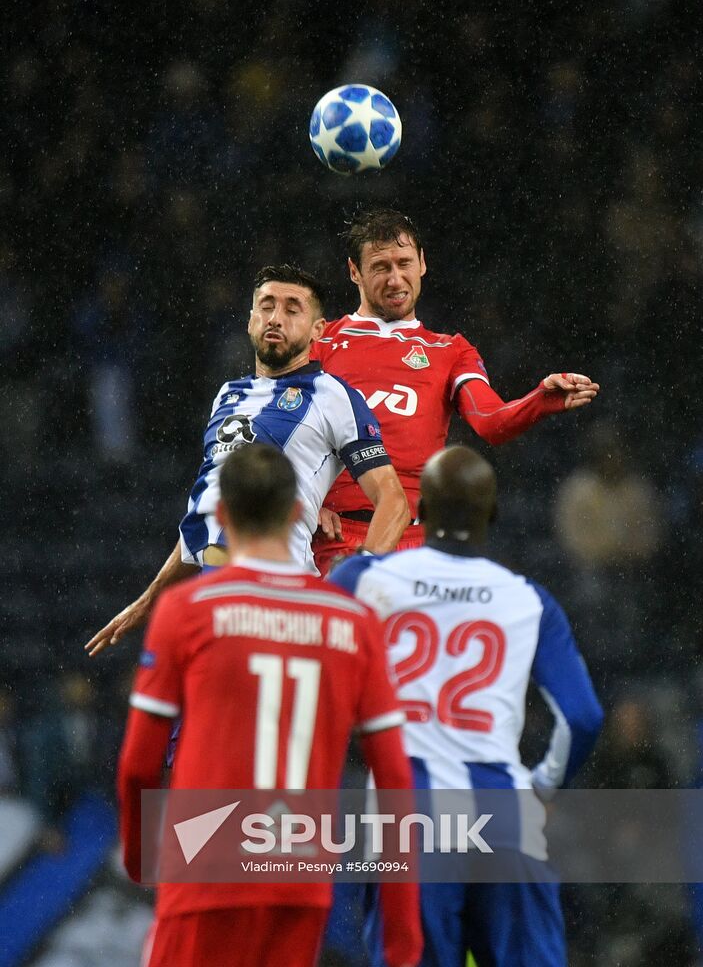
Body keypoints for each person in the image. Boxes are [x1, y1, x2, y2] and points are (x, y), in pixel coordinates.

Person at [117, 444, 422, 967]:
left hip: (204, 866)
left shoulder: (187, 611)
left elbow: (137, 767)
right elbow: (395, 782)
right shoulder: (351, 623)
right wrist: (402, 938)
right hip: (297, 876)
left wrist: (142, 861)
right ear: (299, 510)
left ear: (222, 515)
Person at [330, 446, 604, 967]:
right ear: (493, 513)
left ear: (421, 511)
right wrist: (542, 786)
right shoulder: (530, 599)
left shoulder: (361, 580)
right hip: (504, 808)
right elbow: (583, 716)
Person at [86, 264, 408, 656]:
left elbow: (394, 501)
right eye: (266, 306)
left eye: (293, 309)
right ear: (250, 320)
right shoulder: (226, 395)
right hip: (215, 589)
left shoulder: (333, 397)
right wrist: (148, 599)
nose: (276, 318)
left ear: (318, 330)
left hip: (279, 598)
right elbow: (205, 515)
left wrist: (356, 586)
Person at [311, 208, 600, 575]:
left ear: (422, 264)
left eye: (404, 263)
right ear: (355, 272)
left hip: (415, 544)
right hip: (332, 538)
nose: (396, 278)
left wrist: (539, 400)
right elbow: (273, 430)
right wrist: (299, 502)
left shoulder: (451, 351)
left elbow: (491, 422)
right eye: (381, 267)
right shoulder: (320, 343)